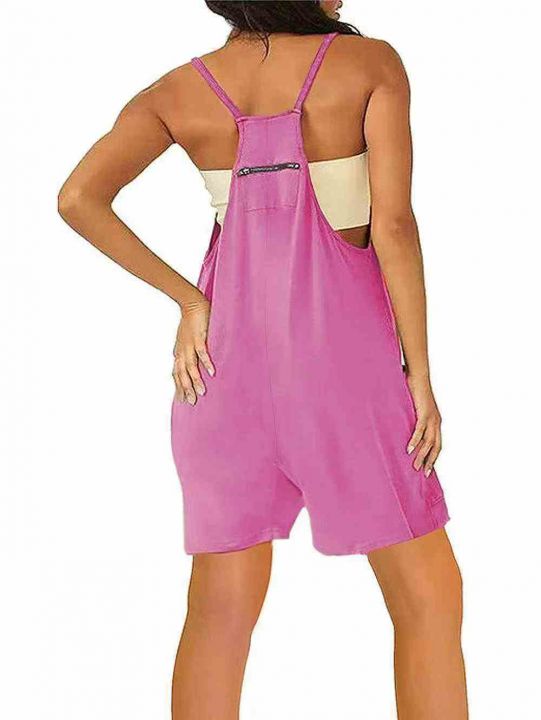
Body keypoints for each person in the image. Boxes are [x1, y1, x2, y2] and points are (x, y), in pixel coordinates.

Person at [58, 1, 468, 718]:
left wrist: (190, 301)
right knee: (428, 596)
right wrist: (421, 376)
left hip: (220, 374)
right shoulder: (369, 63)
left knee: (219, 608)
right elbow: (394, 225)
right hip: (346, 376)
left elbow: (77, 199)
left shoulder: (179, 90)